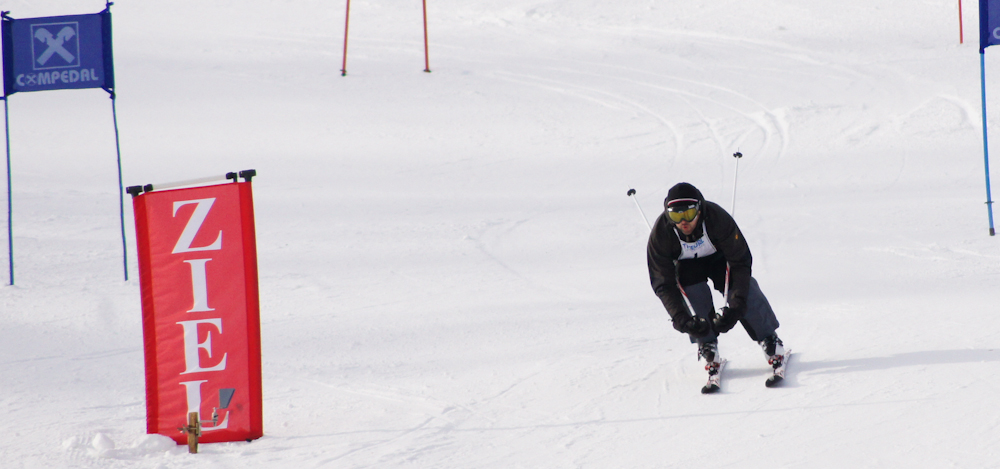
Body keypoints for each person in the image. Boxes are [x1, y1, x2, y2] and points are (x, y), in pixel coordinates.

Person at [646, 182, 785, 386]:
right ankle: (707, 344)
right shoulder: (661, 234)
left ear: (699, 209)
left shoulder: (717, 218)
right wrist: (682, 320)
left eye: (689, 214)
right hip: (687, 267)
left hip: (720, 260)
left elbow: (740, 262)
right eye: (676, 216)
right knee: (692, 292)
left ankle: (769, 339)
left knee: (744, 288)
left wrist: (736, 308)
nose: (683, 222)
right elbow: (663, 283)